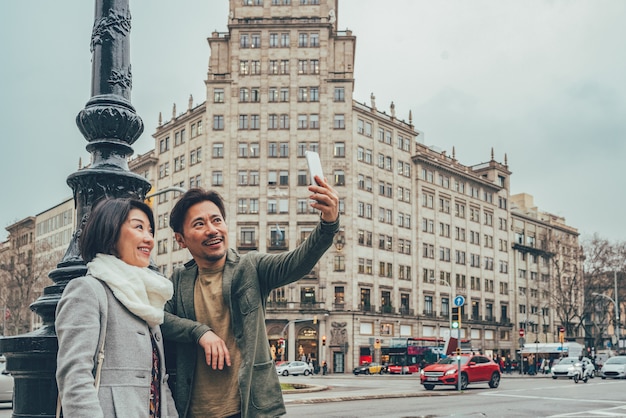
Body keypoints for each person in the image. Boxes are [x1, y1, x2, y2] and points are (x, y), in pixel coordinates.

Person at [162, 181, 339, 418]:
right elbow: (160, 319)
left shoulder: (251, 267)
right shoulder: (178, 280)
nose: (212, 229)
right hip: (192, 411)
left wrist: (328, 224)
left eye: (217, 220)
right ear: (181, 239)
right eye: (199, 224)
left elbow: (297, 262)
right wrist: (199, 332)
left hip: (249, 409)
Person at [56, 198, 178, 417]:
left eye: (150, 231)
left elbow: (160, 381)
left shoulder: (146, 299)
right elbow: (75, 376)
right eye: (138, 227)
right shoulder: (88, 290)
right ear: (110, 232)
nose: (149, 239)